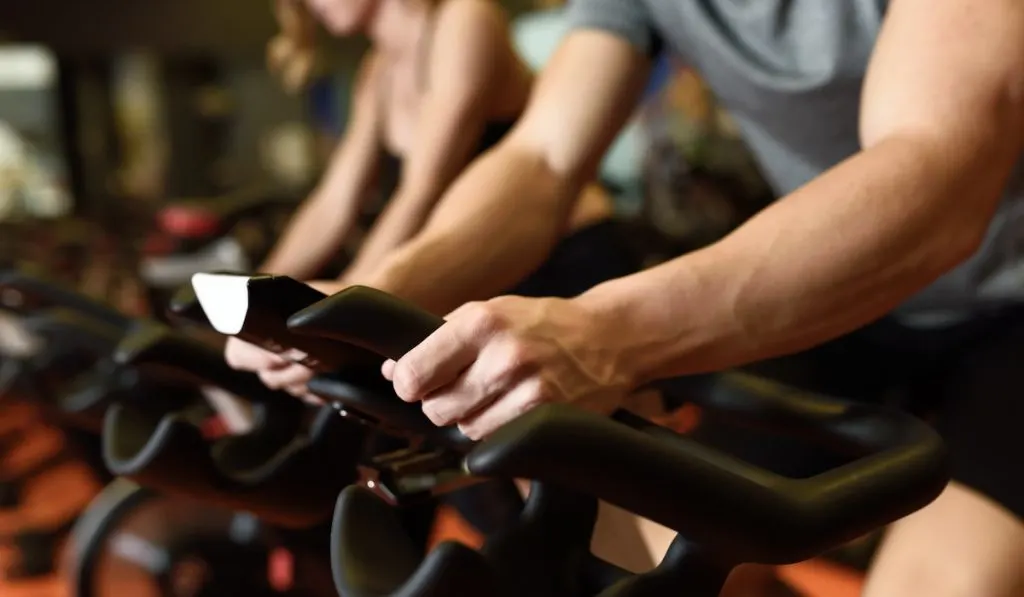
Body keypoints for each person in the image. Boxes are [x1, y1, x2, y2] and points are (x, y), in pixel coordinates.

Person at [319, 0, 1018, 596]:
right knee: (646, 560)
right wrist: (364, 299)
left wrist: (606, 329)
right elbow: (542, 160)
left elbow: (940, 170)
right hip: (838, 297)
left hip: (1009, 304)